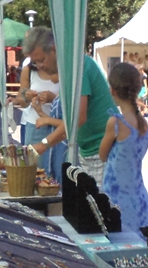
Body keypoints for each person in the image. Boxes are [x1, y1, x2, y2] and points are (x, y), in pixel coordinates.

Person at [26, 27, 116, 184]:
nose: (39, 66)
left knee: (99, 199)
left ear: (54, 50)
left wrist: (43, 145)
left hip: (103, 150)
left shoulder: (77, 68)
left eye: (41, 60)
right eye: (35, 62)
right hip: (90, 149)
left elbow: (78, 118)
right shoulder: (69, 69)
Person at [98, 63, 148, 233]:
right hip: (138, 195)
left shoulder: (116, 123)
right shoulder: (144, 126)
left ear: (112, 91)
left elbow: (102, 155)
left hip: (116, 196)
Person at [16, 55, 59, 171]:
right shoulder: (28, 70)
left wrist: (54, 98)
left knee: (56, 167)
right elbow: (22, 103)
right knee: (34, 169)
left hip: (58, 126)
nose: (39, 65)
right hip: (36, 126)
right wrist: (26, 96)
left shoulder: (63, 70)